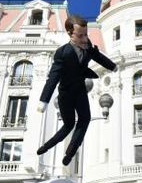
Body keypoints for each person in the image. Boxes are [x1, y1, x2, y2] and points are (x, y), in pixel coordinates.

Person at [36, 14, 117, 166]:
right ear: (70, 33)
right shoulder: (63, 53)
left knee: (85, 118)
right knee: (69, 125)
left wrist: (113, 66)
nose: (85, 39)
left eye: (86, 34)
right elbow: (53, 77)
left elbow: (97, 56)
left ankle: (71, 152)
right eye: (80, 35)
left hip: (80, 90)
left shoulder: (87, 45)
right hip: (66, 94)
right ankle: (47, 146)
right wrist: (44, 100)